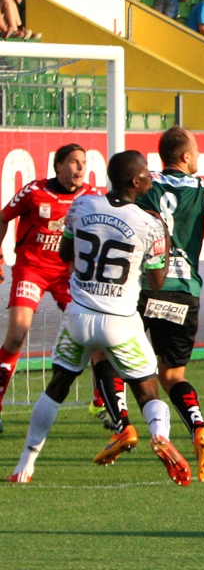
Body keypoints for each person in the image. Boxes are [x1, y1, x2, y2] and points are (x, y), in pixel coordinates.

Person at [7, 150, 192, 486]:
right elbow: (157, 281)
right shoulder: (149, 223)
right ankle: (160, 435)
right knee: (149, 392)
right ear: (136, 181)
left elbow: (65, 254)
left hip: (78, 315)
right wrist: (162, 239)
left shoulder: (83, 206)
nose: (151, 176)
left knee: (56, 389)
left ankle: (24, 467)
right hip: (120, 319)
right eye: (147, 173)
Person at [95, 128, 204, 484]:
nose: (198, 157)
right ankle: (198, 427)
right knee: (172, 376)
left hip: (141, 286)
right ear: (184, 157)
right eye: (195, 152)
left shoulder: (144, 183)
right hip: (184, 292)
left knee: (104, 355)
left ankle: (121, 425)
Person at [0, 145, 101, 434]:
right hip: (31, 269)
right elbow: (3, 217)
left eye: (83, 163)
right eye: (74, 162)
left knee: (93, 336)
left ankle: (102, 402)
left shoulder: (92, 197)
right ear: (58, 166)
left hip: (67, 275)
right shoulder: (34, 192)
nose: (81, 168)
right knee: (17, 335)